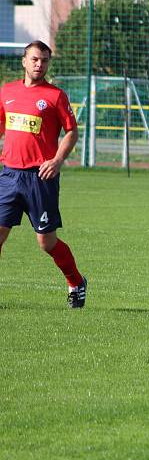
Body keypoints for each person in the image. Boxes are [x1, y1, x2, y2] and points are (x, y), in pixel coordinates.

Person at [0, 40, 87, 308]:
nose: (40, 64)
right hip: (9, 175)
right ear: (24, 61)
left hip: (40, 178)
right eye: (35, 59)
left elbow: (71, 131)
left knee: (46, 242)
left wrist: (58, 160)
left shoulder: (55, 96)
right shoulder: (6, 92)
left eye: (45, 60)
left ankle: (76, 282)